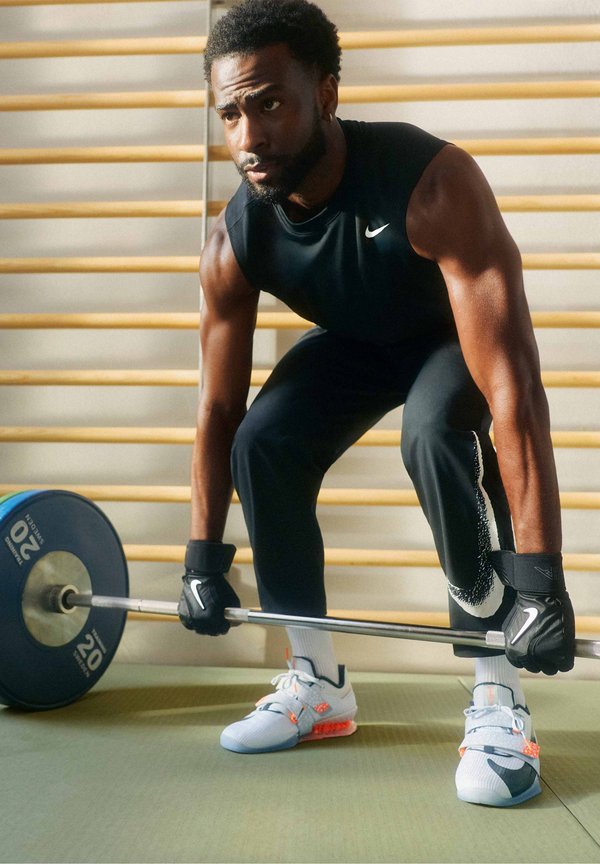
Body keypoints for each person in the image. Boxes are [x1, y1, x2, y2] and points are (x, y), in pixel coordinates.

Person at [176, 0, 575, 807]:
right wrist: (201, 558)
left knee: (434, 434)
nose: (248, 137)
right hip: (357, 346)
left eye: (271, 103)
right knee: (262, 440)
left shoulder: (433, 186)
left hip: (447, 343)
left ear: (326, 93)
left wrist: (540, 581)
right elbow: (217, 414)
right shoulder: (237, 236)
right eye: (231, 112)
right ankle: (317, 683)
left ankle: (499, 695)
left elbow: (513, 390)